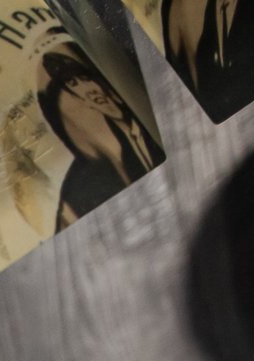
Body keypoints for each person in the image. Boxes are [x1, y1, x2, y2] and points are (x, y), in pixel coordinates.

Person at [39, 49, 163, 230]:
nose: (89, 91)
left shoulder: (150, 117)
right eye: (74, 87)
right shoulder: (84, 185)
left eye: (85, 79)